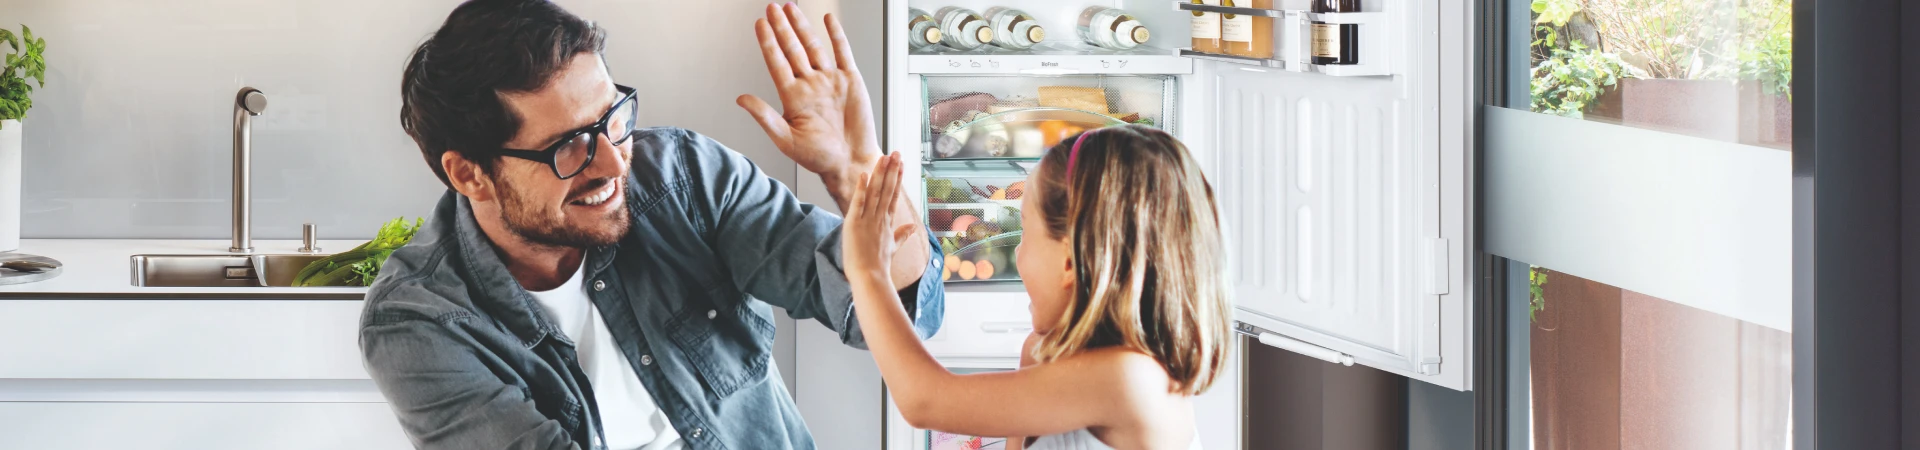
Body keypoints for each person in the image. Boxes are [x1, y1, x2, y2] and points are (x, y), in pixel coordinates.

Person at [358, 1, 944, 449]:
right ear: (470, 175)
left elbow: (904, 318)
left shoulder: (685, 175)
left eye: (613, 117)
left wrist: (857, 176)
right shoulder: (420, 320)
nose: (614, 163)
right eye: (569, 147)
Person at [839, 125, 1232, 450]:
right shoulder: (1048, 357)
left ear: (1068, 262)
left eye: (1025, 231)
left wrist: (868, 272)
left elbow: (924, 399)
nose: (1018, 251)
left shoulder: (1130, 378)